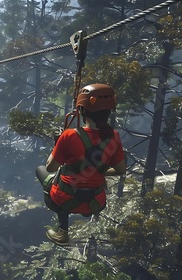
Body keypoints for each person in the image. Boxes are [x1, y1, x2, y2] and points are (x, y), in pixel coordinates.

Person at [35, 83, 126, 246]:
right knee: (80, 189)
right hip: (95, 203)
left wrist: (55, 149)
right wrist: (98, 171)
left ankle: (63, 232)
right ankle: (84, 212)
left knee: (41, 171)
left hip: (64, 200)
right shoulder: (114, 136)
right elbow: (120, 169)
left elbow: (50, 168)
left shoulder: (69, 135)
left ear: (82, 110)